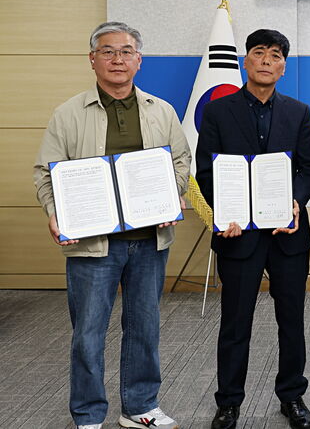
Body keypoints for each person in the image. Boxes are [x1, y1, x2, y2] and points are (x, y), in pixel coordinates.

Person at [33, 22, 190, 429]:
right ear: (92, 59)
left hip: (149, 240)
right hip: (92, 242)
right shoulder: (68, 113)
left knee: (144, 328)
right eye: (107, 51)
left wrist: (171, 193)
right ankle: (88, 414)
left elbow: (180, 161)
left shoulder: (161, 110)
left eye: (125, 51)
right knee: (88, 332)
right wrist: (54, 210)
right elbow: (46, 172)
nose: (117, 59)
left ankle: (140, 406)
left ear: (139, 60)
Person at [196, 29, 310, 429]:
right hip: (238, 234)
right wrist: (223, 211)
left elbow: (309, 167)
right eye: (260, 52)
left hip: (288, 235)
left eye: (276, 55)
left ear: (283, 67)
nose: (267, 60)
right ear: (245, 61)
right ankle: (229, 402)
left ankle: (292, 397)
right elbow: (205, 171)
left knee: (292, 321)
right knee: (235, 324)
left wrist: (296, 201)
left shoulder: (298, 111)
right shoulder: (218, 111)